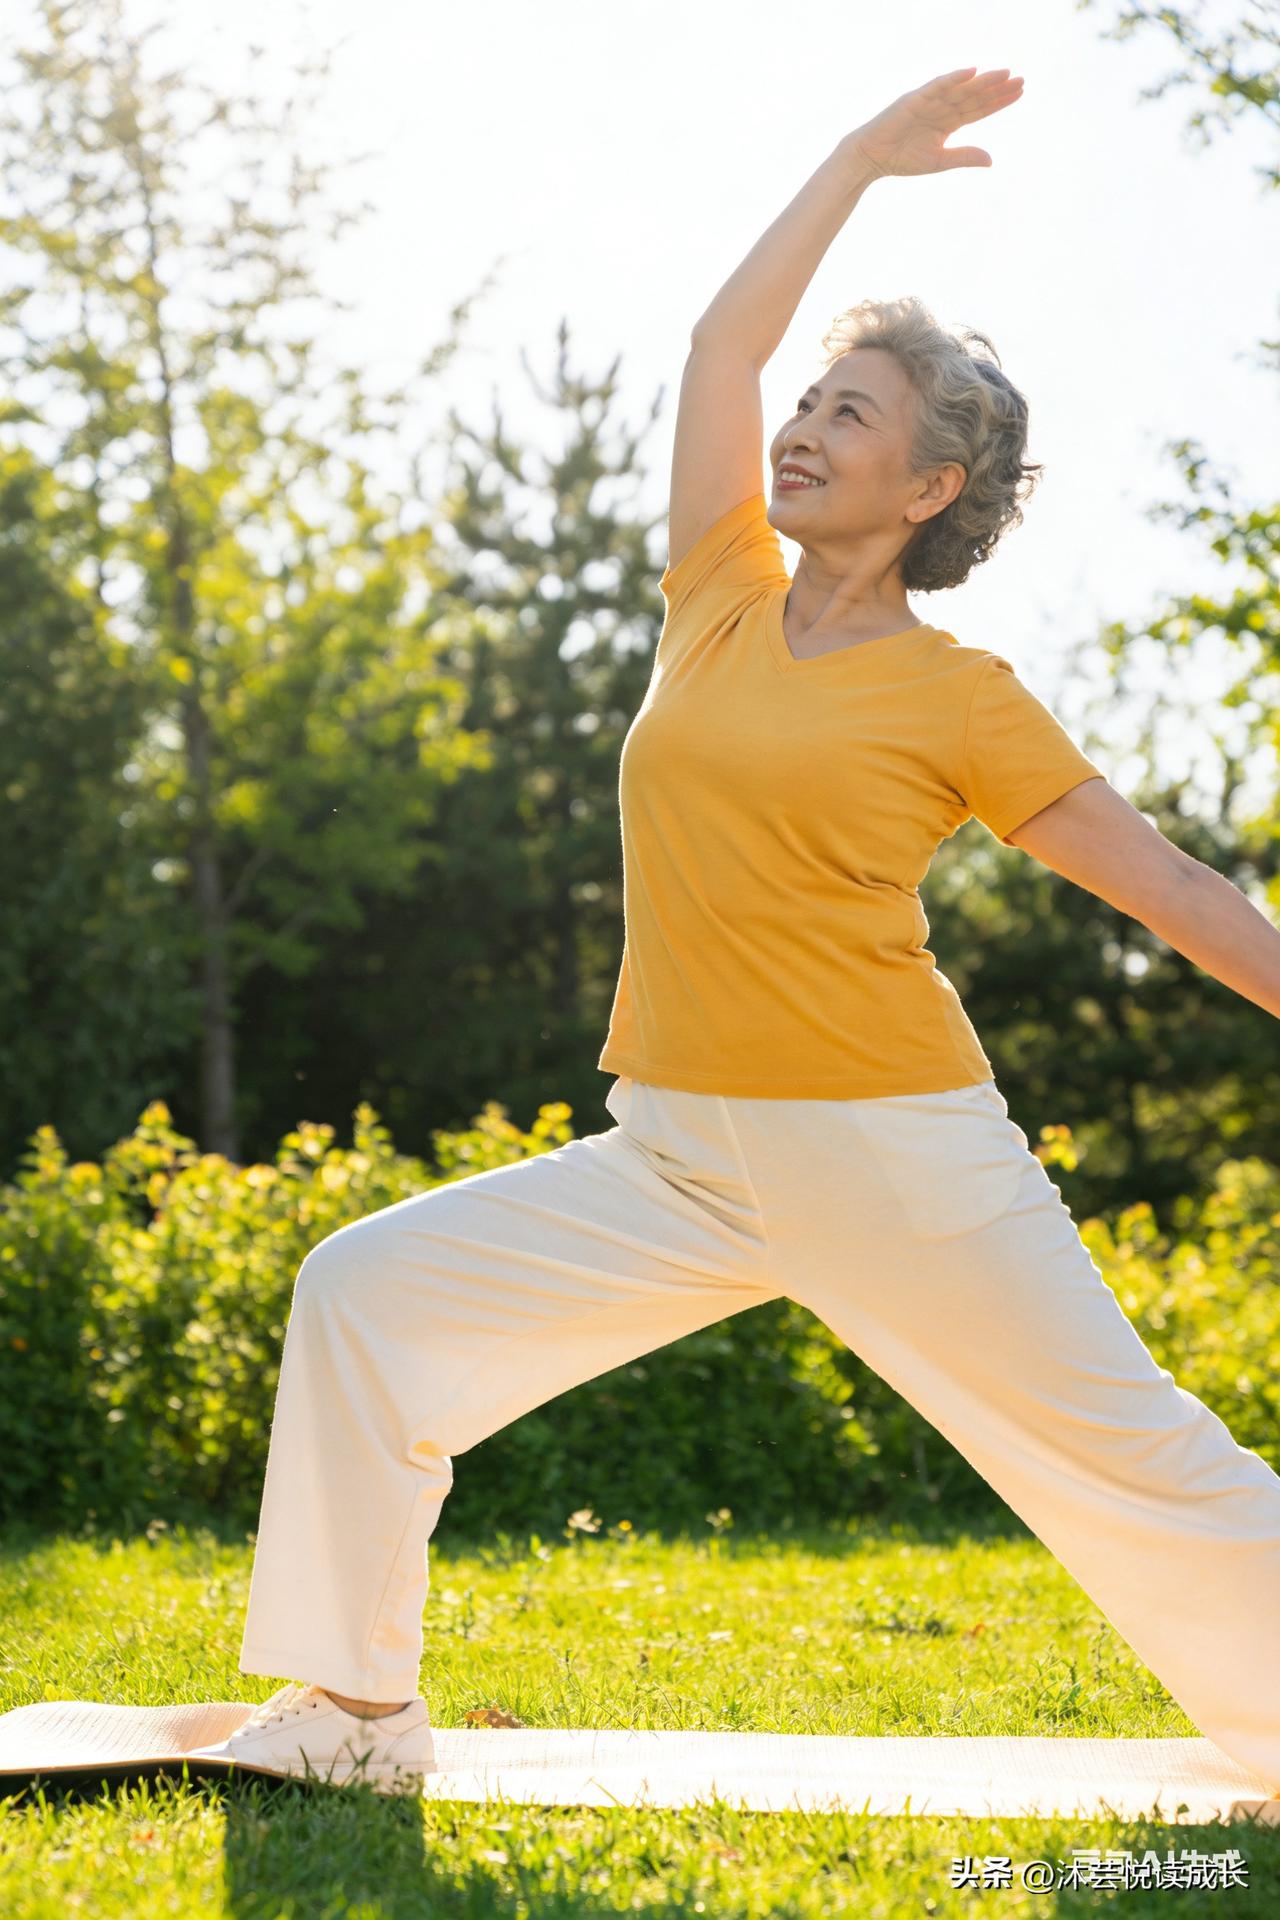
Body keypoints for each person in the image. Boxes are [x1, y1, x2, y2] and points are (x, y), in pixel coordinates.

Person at [191, 67, 1280, 1797]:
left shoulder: (964, 698)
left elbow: (1175, 895)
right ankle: (350, 1715)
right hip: (679, 1144)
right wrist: (856, 160)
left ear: (931, 487)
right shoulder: (717, 597)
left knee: (1132, 1461)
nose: (805, 429)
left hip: (890, 1149)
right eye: (815, 403)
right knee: (368, 1300)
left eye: (853, 416)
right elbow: (718, 344)